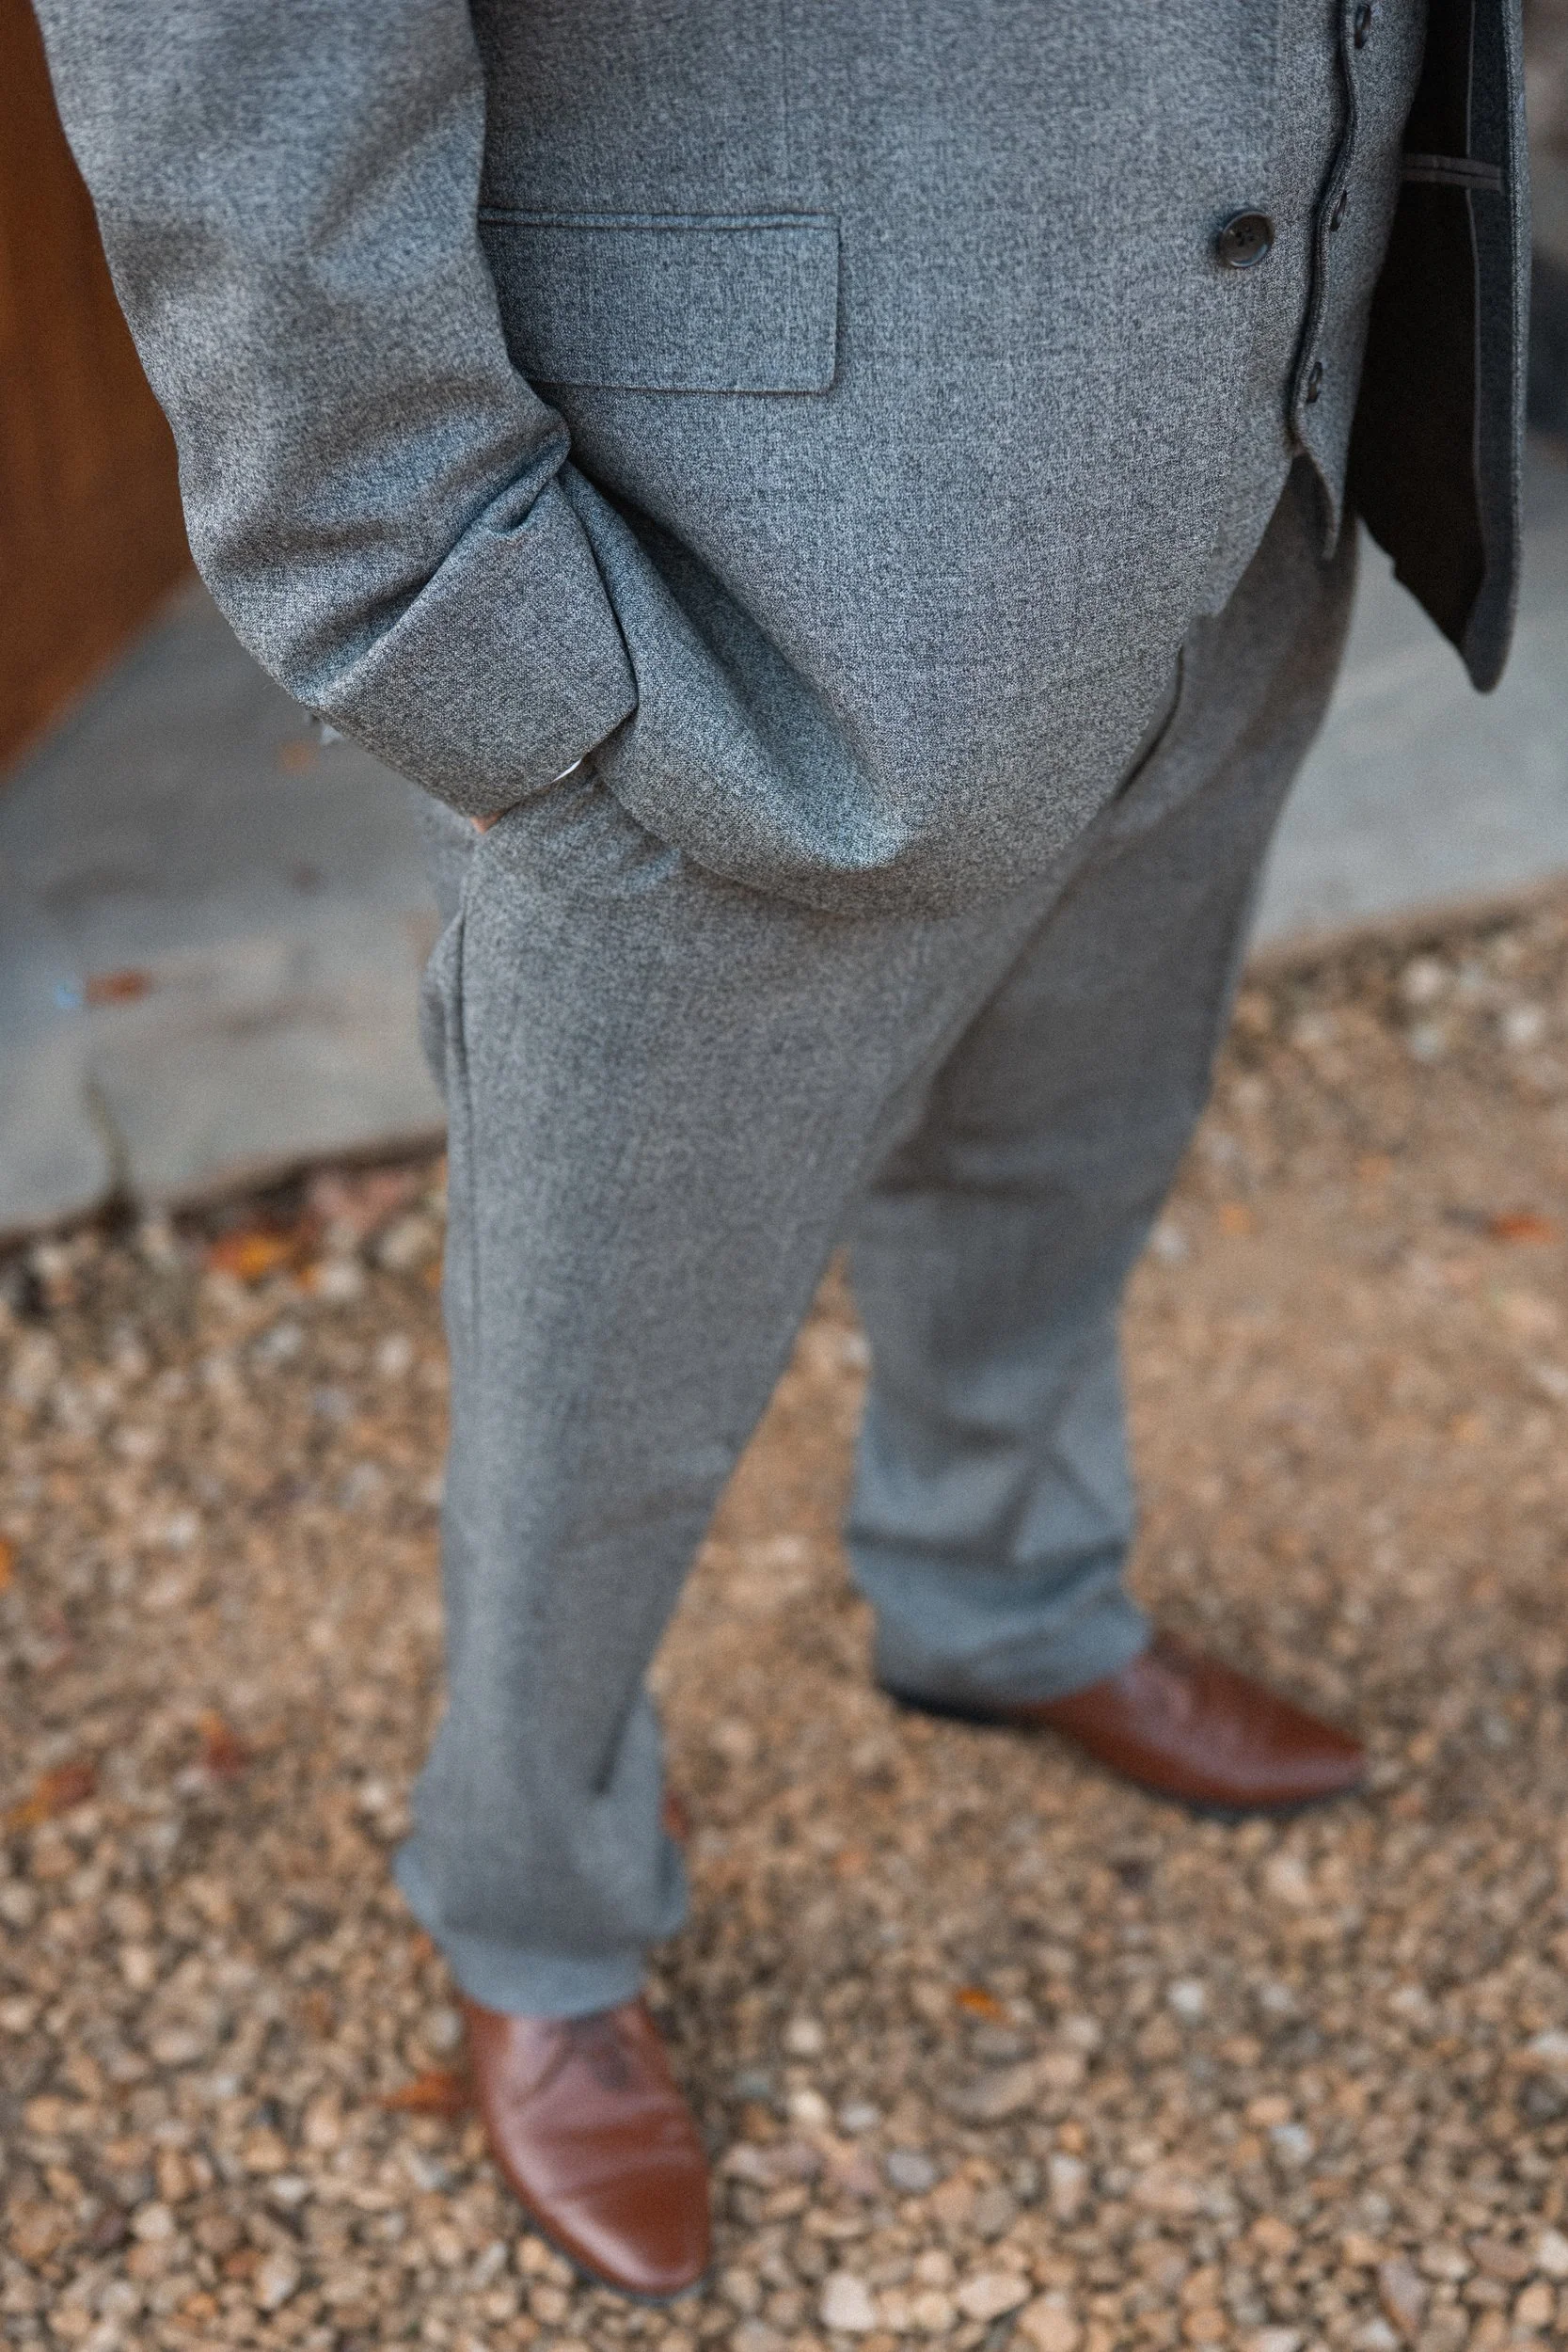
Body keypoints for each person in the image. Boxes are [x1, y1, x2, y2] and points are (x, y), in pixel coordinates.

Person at [38, 0, 1528, 2303]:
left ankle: (997, 1591)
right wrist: (458, 622)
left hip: (1255, 449)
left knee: (1072, 1139)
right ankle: (532, 1910)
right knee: (599, 1364)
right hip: (734, 580)